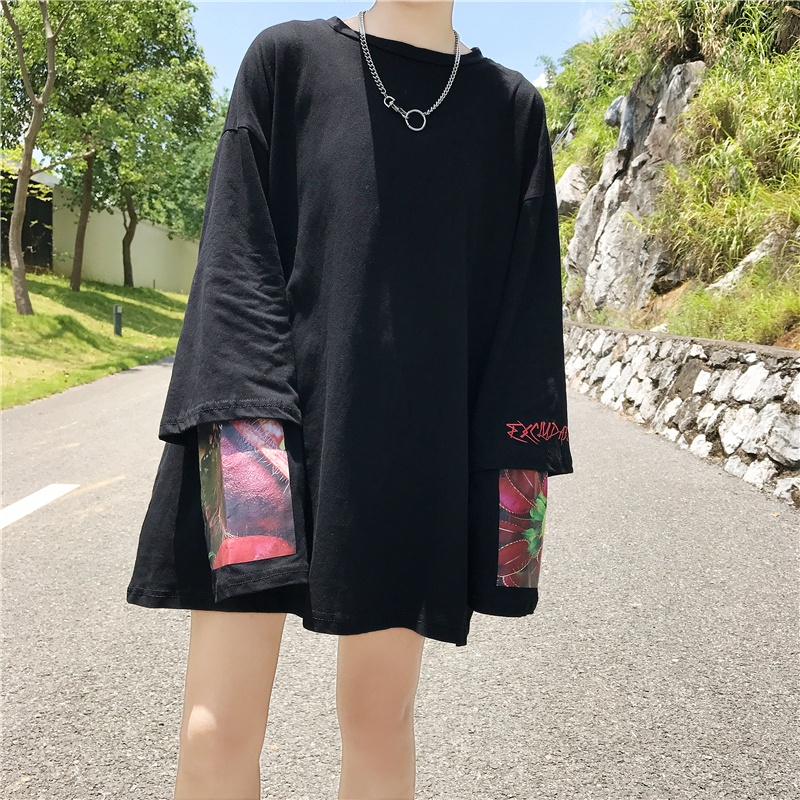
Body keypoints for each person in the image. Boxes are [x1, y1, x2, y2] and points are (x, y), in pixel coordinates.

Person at [126, 1, 574, 798]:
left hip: (412, 448)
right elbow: (234, 267)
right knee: (215, 730)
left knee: (378, 721)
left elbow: (522, 330)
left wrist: (512, 504)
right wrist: (253, 459)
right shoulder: (285, 62)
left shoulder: (509, 110)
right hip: (254, 432)